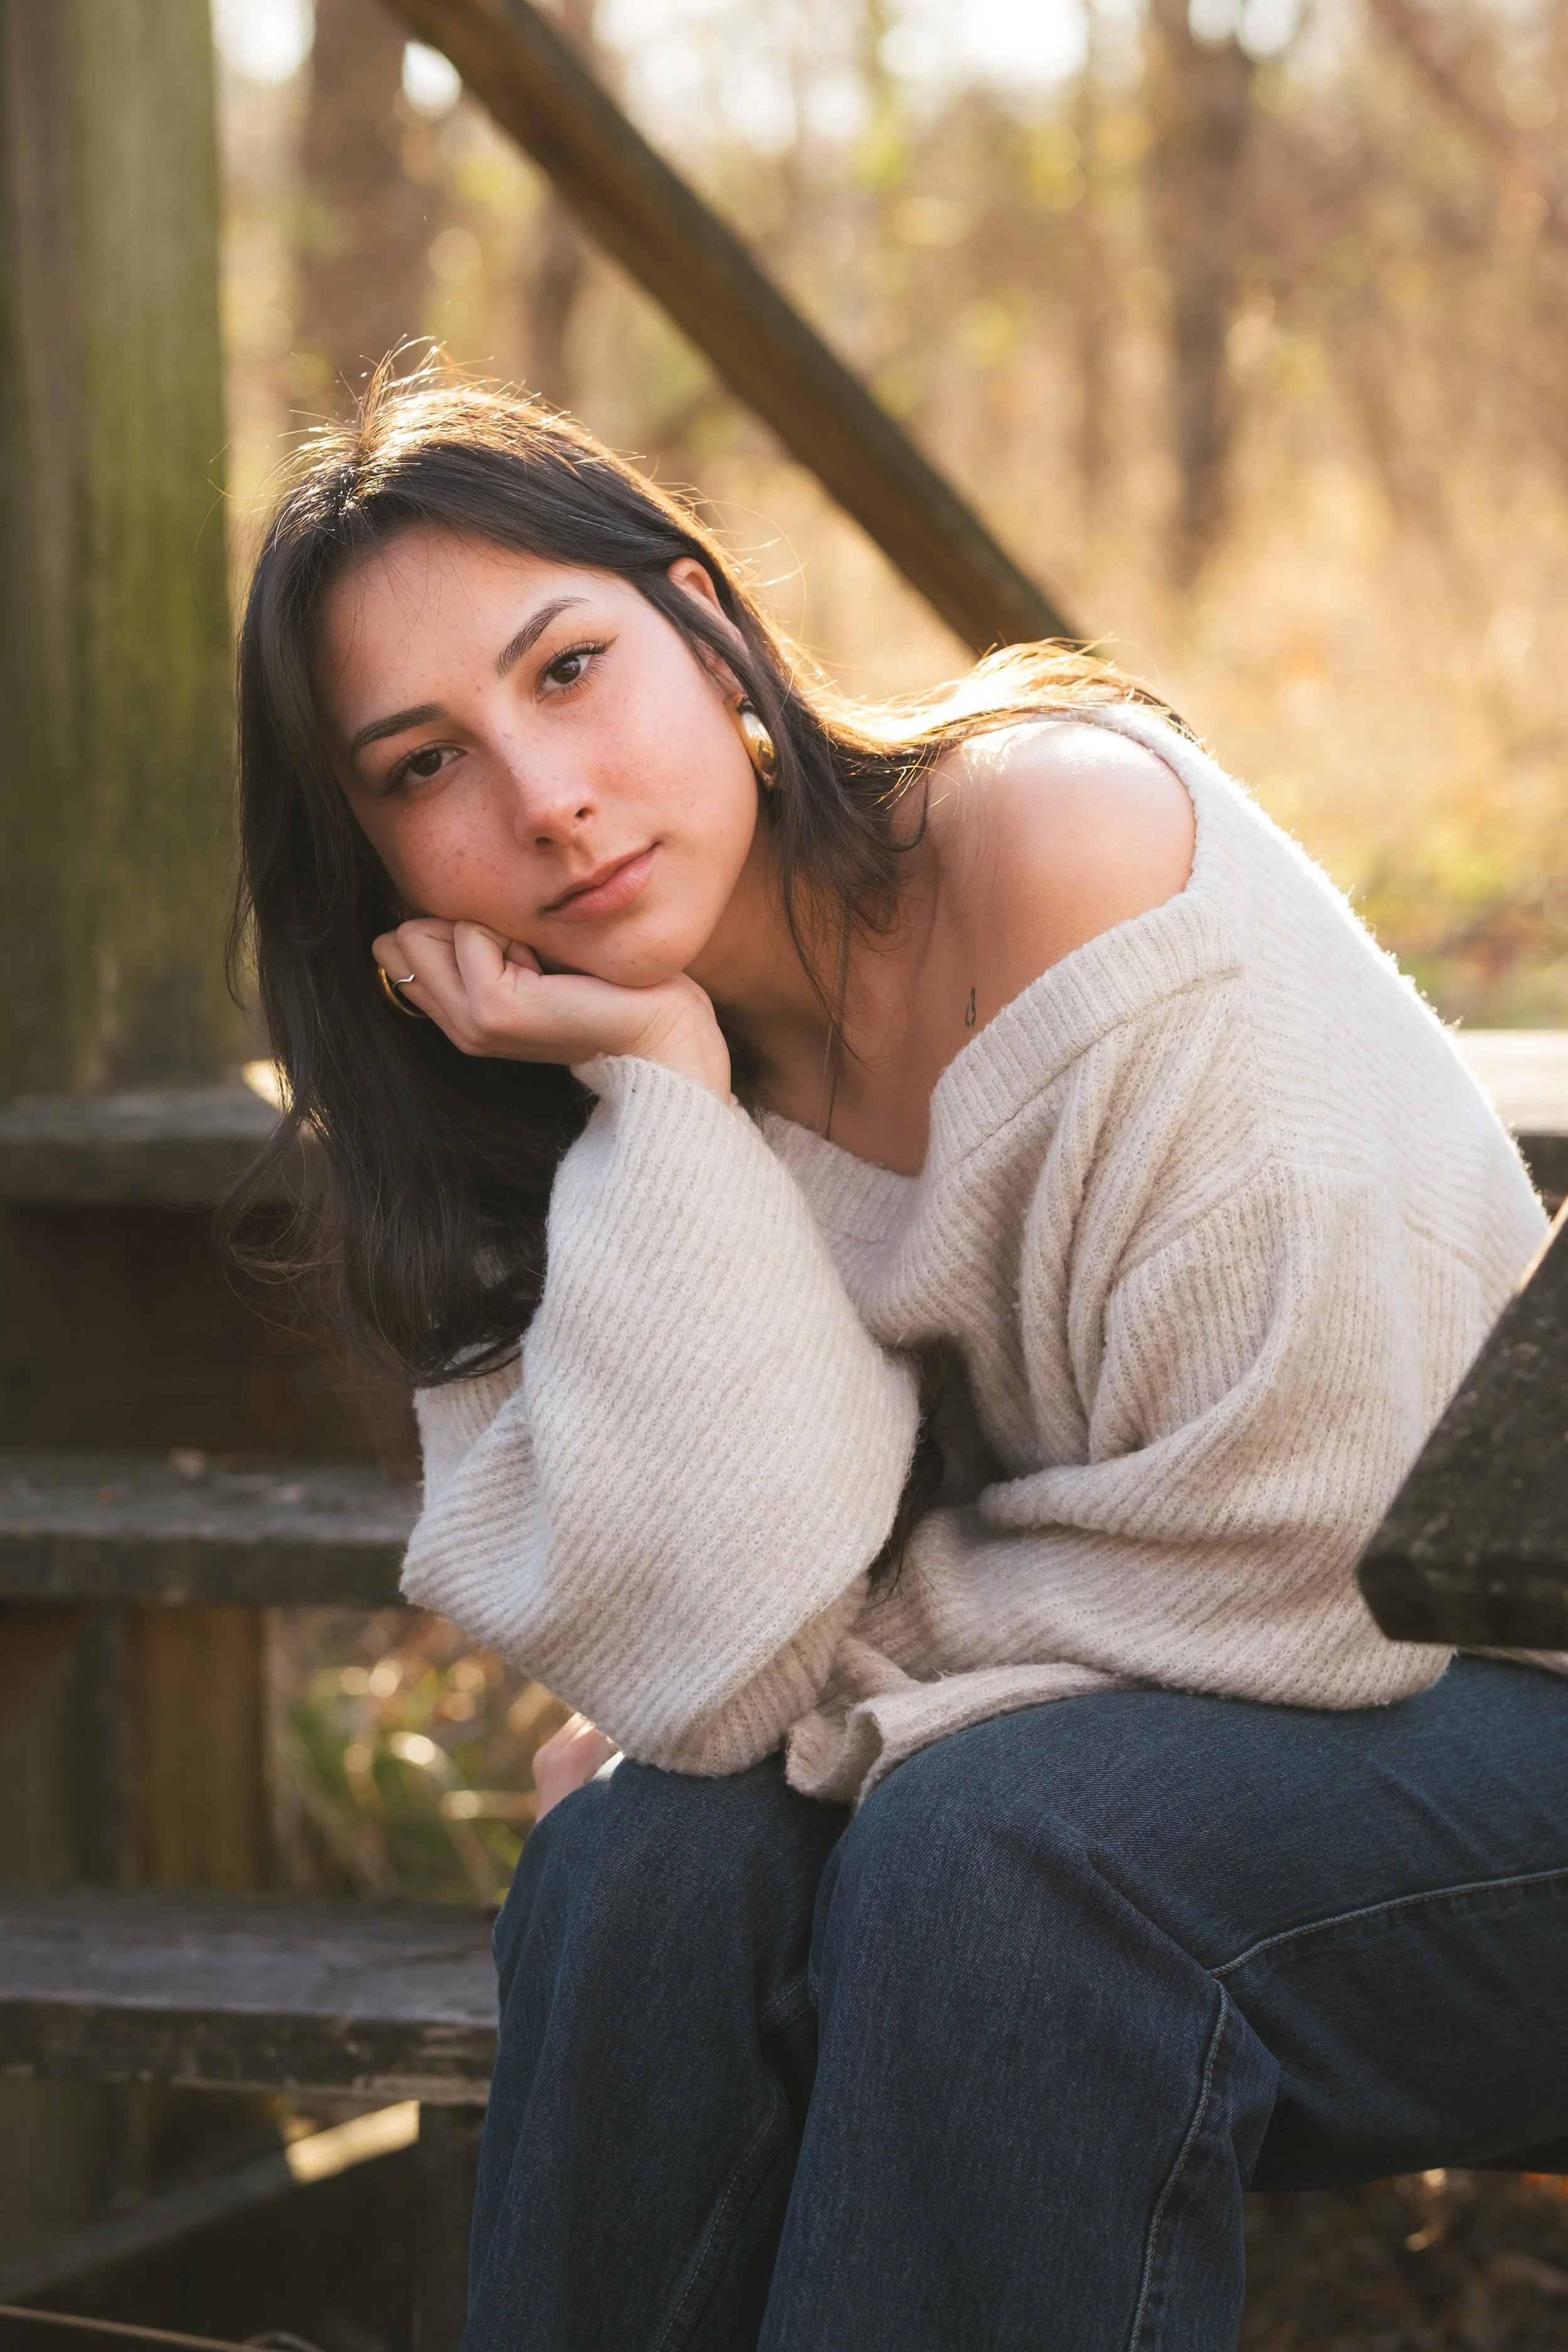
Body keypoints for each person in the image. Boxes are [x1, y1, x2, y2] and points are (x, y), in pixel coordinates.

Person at [230, 367, 1568, 2352]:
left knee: (995, 1845)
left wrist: (832, 1676)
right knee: (645, 1863)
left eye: (571, 667)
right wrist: (665, 1092)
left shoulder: (1074, 846)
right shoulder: (554, 1086)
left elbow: (1327, 1557)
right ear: (375, 859)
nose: (542, 797)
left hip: (1499, 1731)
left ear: (707, 631)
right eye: (423, 765)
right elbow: (710, 1688)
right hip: (1116, 1784)